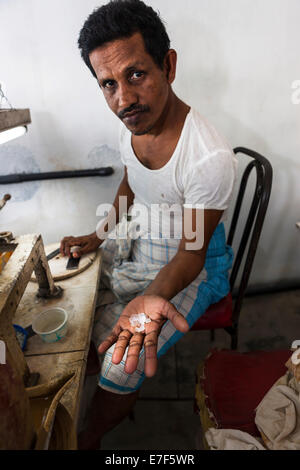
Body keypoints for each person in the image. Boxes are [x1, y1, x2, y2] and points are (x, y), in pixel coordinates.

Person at [60, 0, 237, 449]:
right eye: (108, 84)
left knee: (123, 359)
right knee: (74, 295)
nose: (123, 99)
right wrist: (97, 235)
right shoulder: (131, 123)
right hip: (145, 237)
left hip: (192, 264)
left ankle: (90, 436)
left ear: (168, 65)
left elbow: (193, 253)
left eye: (136, 74)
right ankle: (105, 396)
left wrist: (152, 296)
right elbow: (130, 186)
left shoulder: (208, 159)